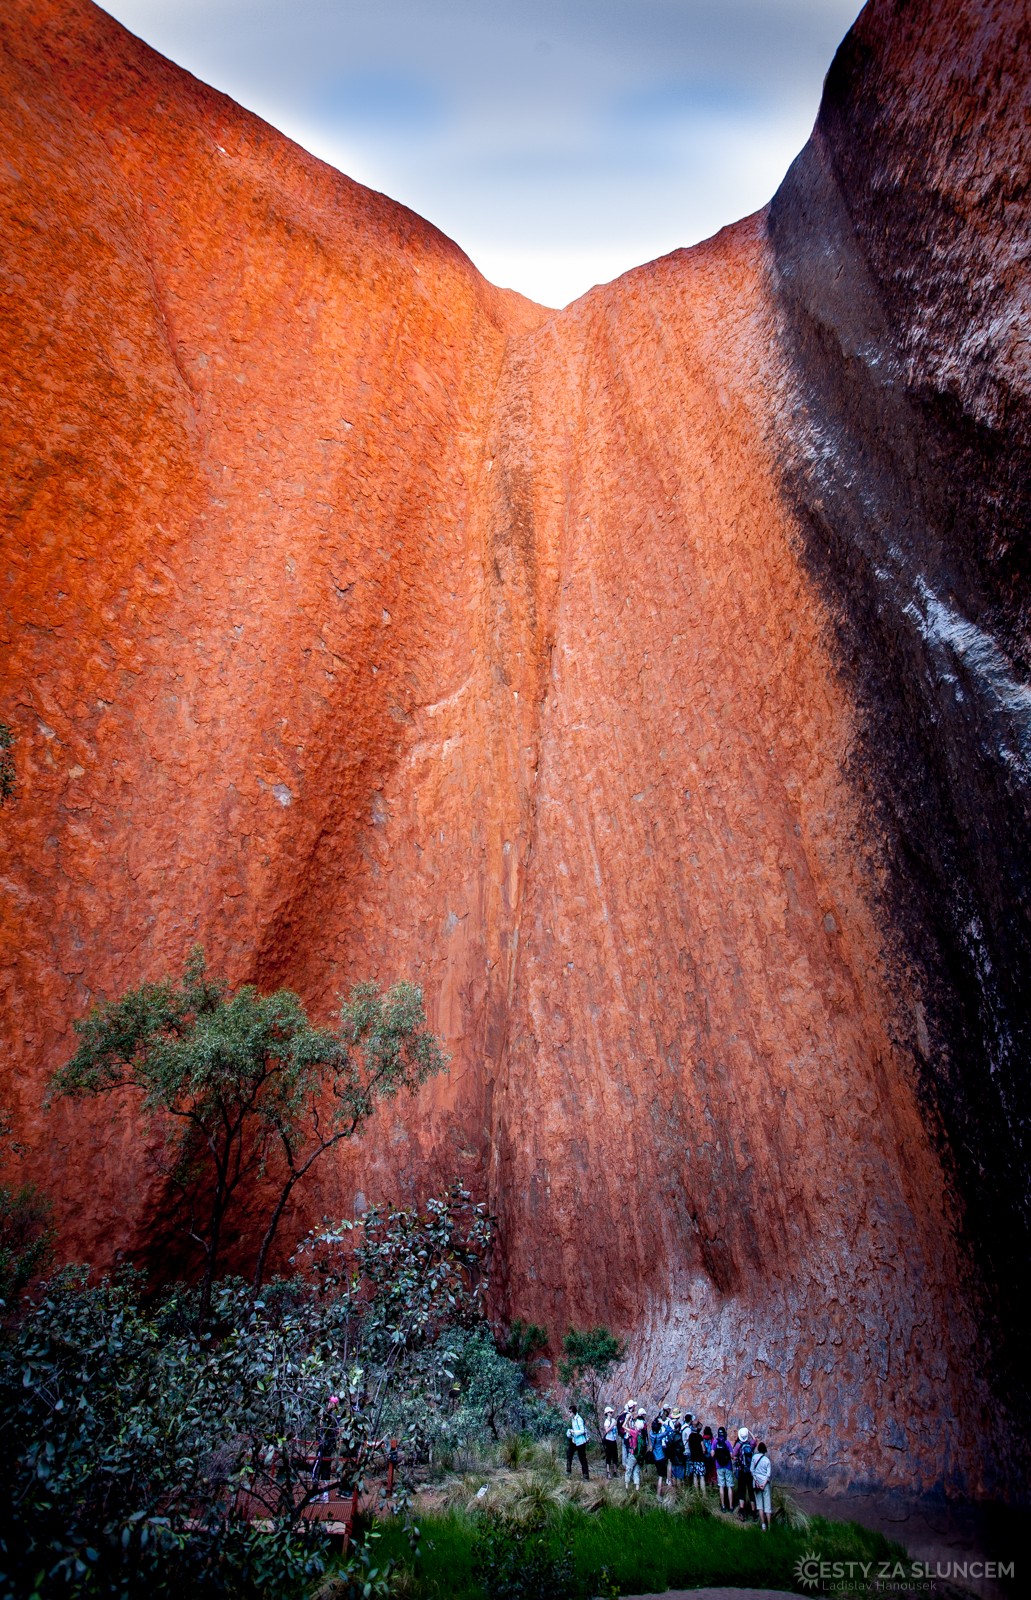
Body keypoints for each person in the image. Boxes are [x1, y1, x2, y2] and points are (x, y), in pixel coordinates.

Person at [311, 1394, 340, 1503]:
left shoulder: (330, 1416)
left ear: (333, 1404)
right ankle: (324, 1494)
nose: (328, 1404)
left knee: (316, 1469)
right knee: (325, 1468)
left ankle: (316, 1493)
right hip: (330, 1446)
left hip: (325, 1445)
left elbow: (326, 1429)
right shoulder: (336, 1416)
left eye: (330, 1402)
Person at [733, 1426, 756, 1517]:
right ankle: (754, 1513)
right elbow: (755, 1440)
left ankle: (742, 1513)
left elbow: (733, 1455)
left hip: (741, 1471)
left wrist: (737, 1458)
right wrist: (749, 1431)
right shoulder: (751, 1444)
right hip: (750, 1472)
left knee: (742, 1491)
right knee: (751, 1491)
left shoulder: (738, 1445)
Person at [751, 1440, 772, 1531]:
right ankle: (770, 1527)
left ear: (758, 1449)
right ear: (765, 1450)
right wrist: (763, 1484)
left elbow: (752, 1471)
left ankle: (763, 1526)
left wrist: (757, 1482)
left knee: (760, 1505)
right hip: (765, 1484)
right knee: (767, 1506)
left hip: (756, 1484)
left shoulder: (754, 1457)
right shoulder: (767, 1460)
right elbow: (768, 1475)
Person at [713, 1426, 735, 1511]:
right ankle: (731, 1506)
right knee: (729, 1486)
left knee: (721, 1486)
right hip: (728, 1466)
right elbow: (731, 1455)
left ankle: (723, 1506)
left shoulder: (715, 1442)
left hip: (719, 1466)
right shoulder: (727, 1443)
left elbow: (712, 1454)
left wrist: (717, 1457)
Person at [565, 1404, 590, 1479]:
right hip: (574, 1440)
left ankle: (586, 1475)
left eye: (570, 1412)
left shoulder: (579, 1419)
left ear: (573, 1412)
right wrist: (570, 1432)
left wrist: (574, 1432)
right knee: (569, 1454)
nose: (569, 1414)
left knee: (582, 1458)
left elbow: (582, 1430)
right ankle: (568, 1471)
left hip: (581, 1442)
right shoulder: (573, 1419)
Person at [650, 1413, 670, 1498]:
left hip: (654, 1456)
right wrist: (663, 1423)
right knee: (661, 1477)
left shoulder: (651, 1434)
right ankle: (659, 1495)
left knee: (659, 1474)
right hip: (661, 1456)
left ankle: (658, 1494)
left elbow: (653, 1427)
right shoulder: (659, 1436)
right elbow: (669, 1430)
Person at [686, 1416, 707, 1493]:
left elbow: (689, 1445)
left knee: (695, 1476)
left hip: (693, 1458)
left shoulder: (690, 1436)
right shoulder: (699, 1437)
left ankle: (697, 1494)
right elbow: (703, 1449)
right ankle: (704, 1495)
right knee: (701, 1477)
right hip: (700, 1459)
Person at [623, 1410, 643, 1489]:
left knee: (628, 1469)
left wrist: (627, 1419)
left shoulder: (634, 1433)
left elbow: (623, 1427)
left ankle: (627, 1486)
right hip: (639, 1455)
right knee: (636, 1472)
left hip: (633, 1454)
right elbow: (629, 1428)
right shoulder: (641, 1433)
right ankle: (637, 1488)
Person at [666, 1410, 686, 1486]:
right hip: (679, 1456)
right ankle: (679, 1491)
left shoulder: (669, 1422)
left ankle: (671, 1486)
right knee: (679, 1476)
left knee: (673, 1474)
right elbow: (682, 1447)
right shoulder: (679, 1435)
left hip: (672, 1455)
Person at [602, 1406, 620, 1479]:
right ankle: (608, 1472)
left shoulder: (613, 1420)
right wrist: (612, 1425)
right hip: (608, 1440)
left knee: (615, 1456)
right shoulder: (606, 1422)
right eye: (609, 1412)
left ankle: (615, 1471)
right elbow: (607, 1430)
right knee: (608, 1456)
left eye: (611, 1412)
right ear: (607, 1413)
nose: (611, 1413)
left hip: (613, 1440)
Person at [702, 1425, 716, 1490]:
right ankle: (713, 1487)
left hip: (704, 1458)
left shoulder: (702, 1439)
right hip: (712, 1458)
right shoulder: (712, 1439)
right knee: (712, 1473)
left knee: (706, 1473)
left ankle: (707, 1487)